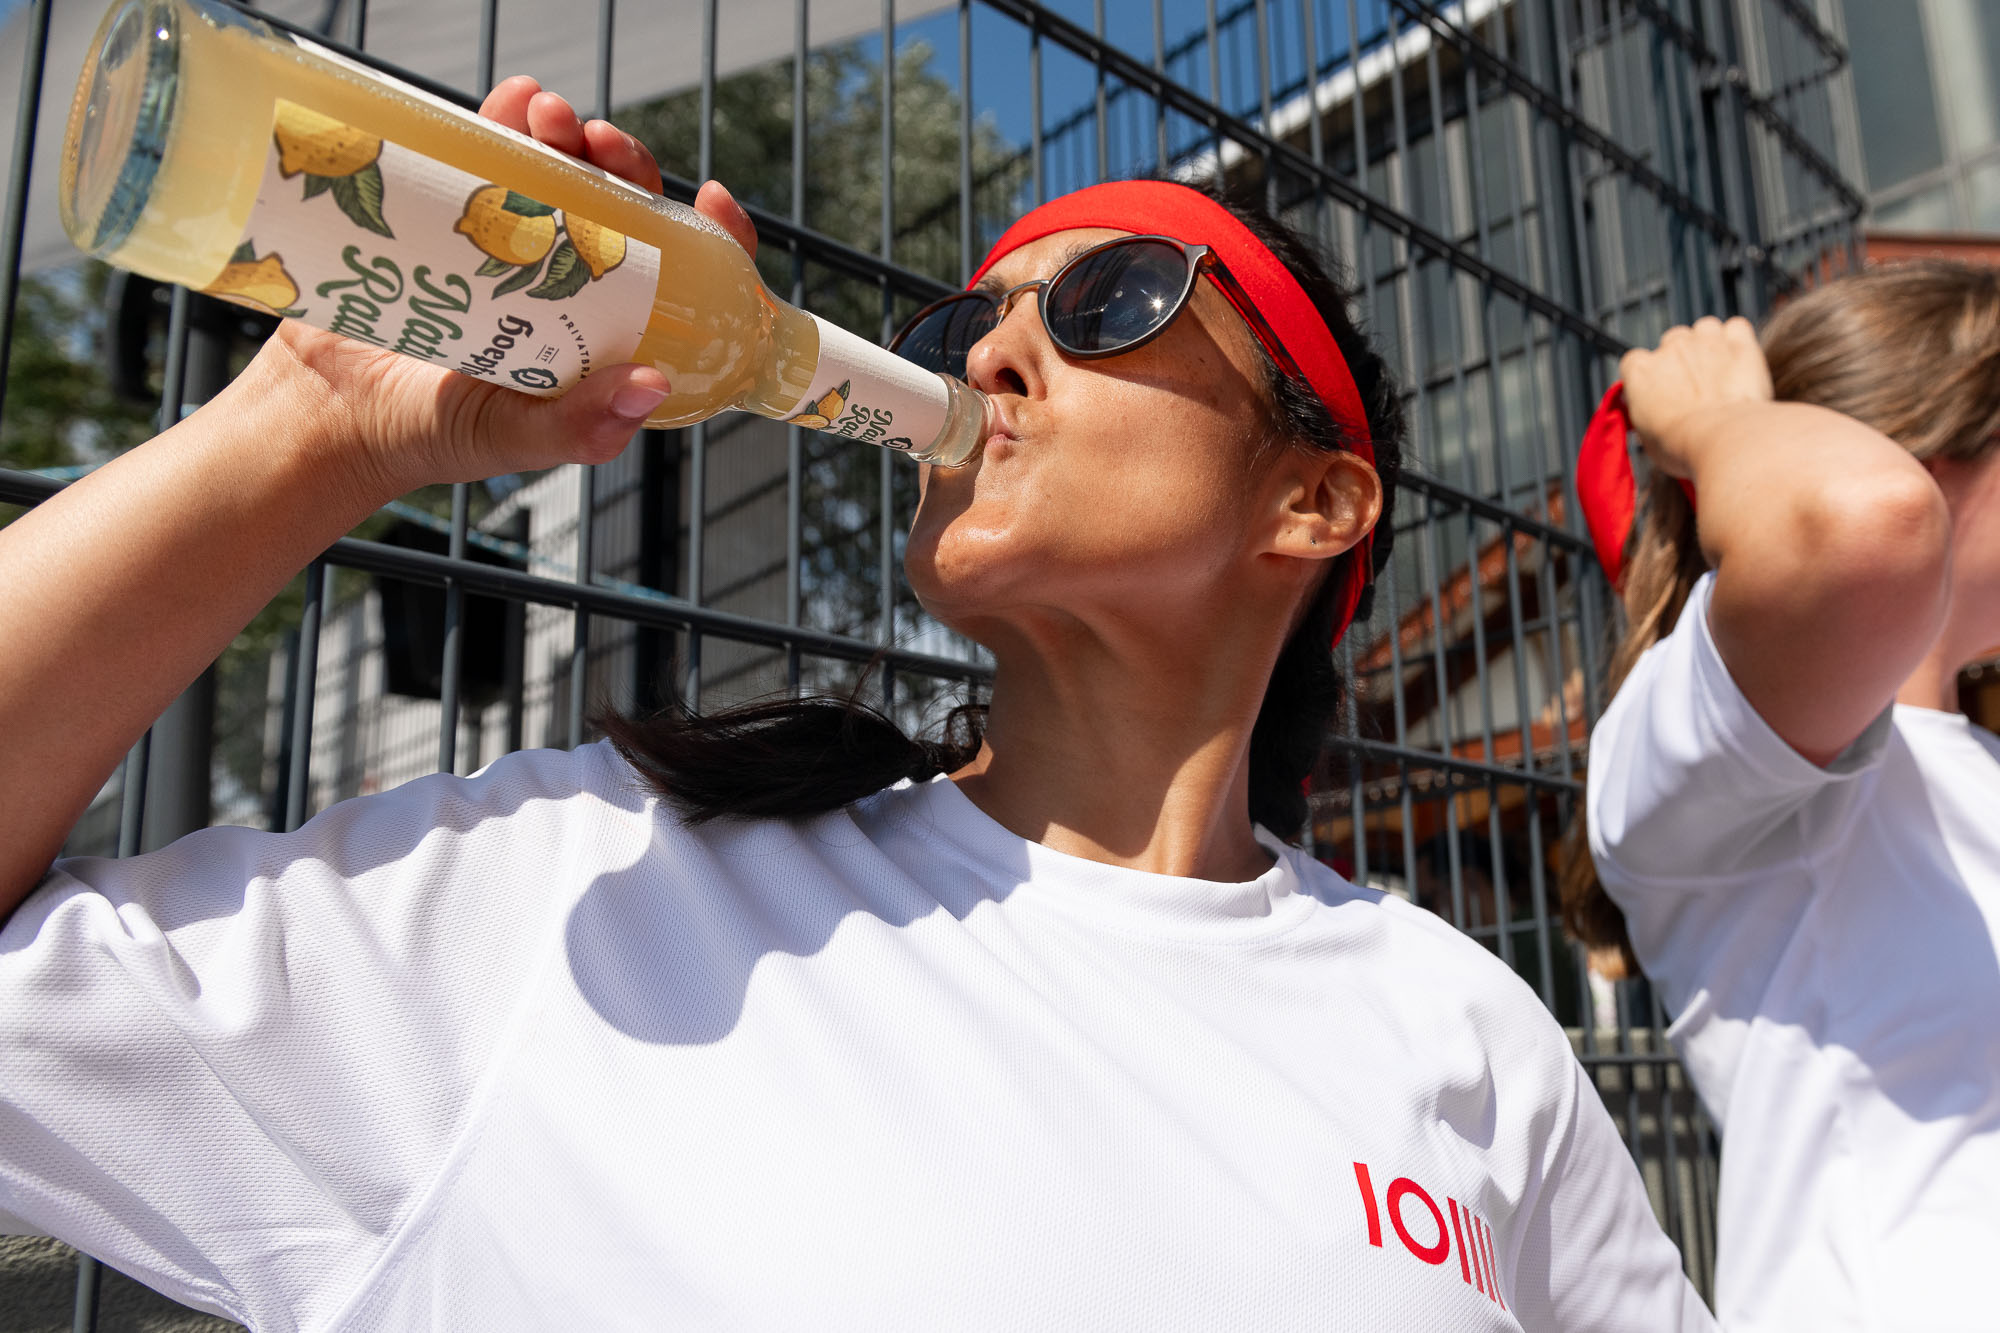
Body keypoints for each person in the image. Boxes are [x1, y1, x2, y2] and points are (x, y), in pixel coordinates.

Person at [0, 77, 1710, 1331]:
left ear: (1314, 504)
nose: (988, 357)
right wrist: (312, 424)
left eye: (1113, 302)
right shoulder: (601, 889)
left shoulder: (1457, 1027)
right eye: (973, 317)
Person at [1562, 267, 2000, 1331]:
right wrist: (1710, 421)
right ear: (1921, 451)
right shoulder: (1712, 737)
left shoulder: (1965, 757)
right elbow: (1857, 522)